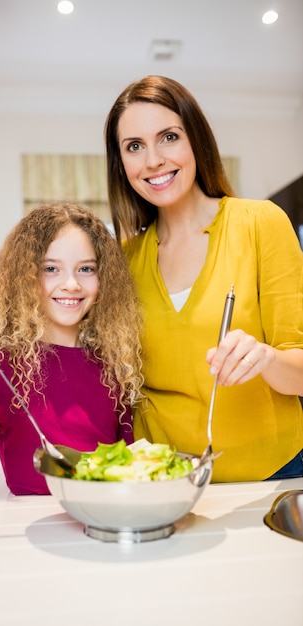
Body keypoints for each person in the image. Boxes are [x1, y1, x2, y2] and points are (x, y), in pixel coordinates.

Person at [104, 74, 303, 482]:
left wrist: (265, 357)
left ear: (196, 139)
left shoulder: (260, 223)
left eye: (169, 137)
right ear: (121, 163)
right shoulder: (123, 259)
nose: (154, 160)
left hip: (270, 475)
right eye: (134, 147)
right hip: (164, 482)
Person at [0, 202, 143, 511]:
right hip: (34, 543)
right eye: (51, 268)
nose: (71, 284)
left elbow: (130, 469)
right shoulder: (1, 368)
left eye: (86, 269)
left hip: (107, 529)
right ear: (25, 277)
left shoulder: (115, 361)